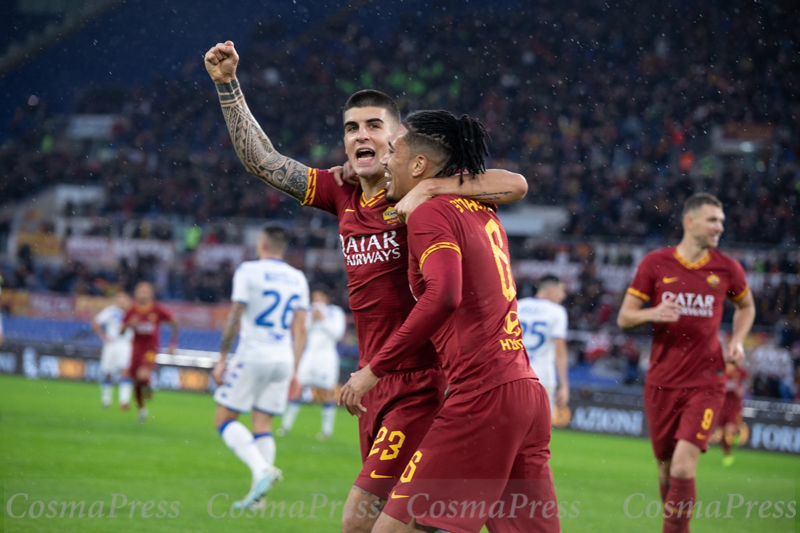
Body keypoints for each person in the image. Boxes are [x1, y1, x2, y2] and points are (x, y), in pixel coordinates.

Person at [204, 41, 529, 532]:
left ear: (401, 140)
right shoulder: (341, 192)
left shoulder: (426, 202)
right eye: (352, 128)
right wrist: (228, 85)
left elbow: (514, 184)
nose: (361, 135)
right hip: (371, 384)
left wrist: (430, 187)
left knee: (362, 523)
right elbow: (264, 162)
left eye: (374, 126)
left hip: (422, 379)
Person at [340, 110, 560, 533]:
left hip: (481, 396)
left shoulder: (431, 213)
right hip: (525, 392)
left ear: (419, 165)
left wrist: (373, 370)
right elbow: (515, 183)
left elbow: (444, 295)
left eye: (396, 148)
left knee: (385, 530)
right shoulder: (480, 206)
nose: (386, 157)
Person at [617, 192, 755, 533]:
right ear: (689, 221)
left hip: (706, 380)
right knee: (665, 469)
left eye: (721, 221)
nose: (719, 227)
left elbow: (747, 307)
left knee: (681, 468)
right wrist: (653, 312)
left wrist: (736, 340)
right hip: (661, 381)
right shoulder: (655, 264)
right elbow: (624, 318)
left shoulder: (727, 268)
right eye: (712, 220)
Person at [211, 225, 309, 509]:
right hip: (283, 359)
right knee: (262, 426)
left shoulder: (248, 271)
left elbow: (234, 316)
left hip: (253, 354)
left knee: (224, 419)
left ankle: (261, 469)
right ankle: (259, 499)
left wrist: (222, 359)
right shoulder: (298, 278)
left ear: (261, 243)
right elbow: (300, 329)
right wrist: (296, 371)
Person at [278, 288, 346, 440]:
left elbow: (338, 334)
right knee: (298, 388)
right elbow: (301, 332)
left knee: (328, 392)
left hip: (327, 356)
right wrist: (311, 320)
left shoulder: (335, 312)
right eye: (314, 298)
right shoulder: (308, 312)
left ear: (326, 298)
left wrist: (323, 320)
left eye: (319, 297)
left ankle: (326, 431)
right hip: (310, 355)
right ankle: (285, 427)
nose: (316, 301)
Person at [121, 281, 179, 423]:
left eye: (146, 291)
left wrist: (173, 343)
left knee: (142, 376)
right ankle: (142, 409)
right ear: (136, 293)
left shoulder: (157, 310)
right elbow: (120, 331)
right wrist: (129, 324)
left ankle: (148, 383)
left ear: (151, 294)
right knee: (136, 382)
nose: (143, 294)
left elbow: (174, 323)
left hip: (150, 350)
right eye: (140, 291)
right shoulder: (131, 311)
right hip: (135, 350)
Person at [517, 274, 570, 413]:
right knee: (540, 431)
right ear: (551, 289)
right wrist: (564, 384)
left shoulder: (517, 306)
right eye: (561, 291)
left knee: (512, 426)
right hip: (542, 376)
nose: (563, 296)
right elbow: (560, 350)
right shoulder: (557, 312)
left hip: (515, 374)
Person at [91, 291, 134, 409]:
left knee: (125, 371)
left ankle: (124, 401)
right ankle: (106, 401)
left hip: (125, 344)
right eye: (118, 298)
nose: (121, 301)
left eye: (123, 298)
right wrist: (104, 337)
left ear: (128, 300)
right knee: (107, 372)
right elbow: (95, 321)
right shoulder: (111, 311)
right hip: (111, 344)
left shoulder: (133, 311)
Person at [718, 362, 749, 466]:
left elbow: (750, 380)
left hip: (735, 406)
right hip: (722, 405)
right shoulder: (720, 370)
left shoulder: (740, 371)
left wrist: (744, 389)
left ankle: (734, 433)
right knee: (722, 434)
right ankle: (727, 454)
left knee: (729, 430)